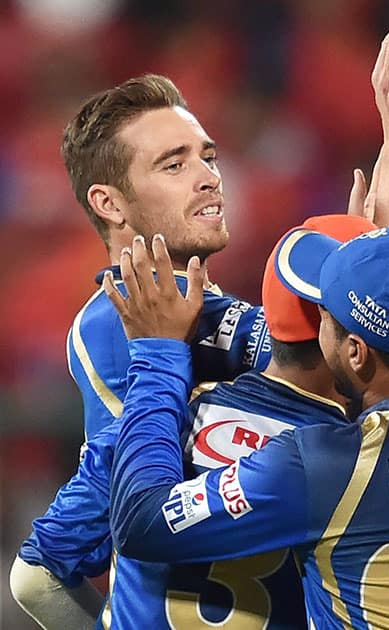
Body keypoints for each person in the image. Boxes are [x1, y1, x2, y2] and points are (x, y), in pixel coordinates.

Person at [105, 226, 389, 628]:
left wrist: (159, 353)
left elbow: (143, 520)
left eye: (326, 317)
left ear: (355, 353)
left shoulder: (320, 464)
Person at [10, 74, 271, 629]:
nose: (208, 178)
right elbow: (40, 571)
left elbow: (38, 574)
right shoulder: (118, 319)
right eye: (173, 165)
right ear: (110, 203)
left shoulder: (194, 308)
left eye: (208, 157)